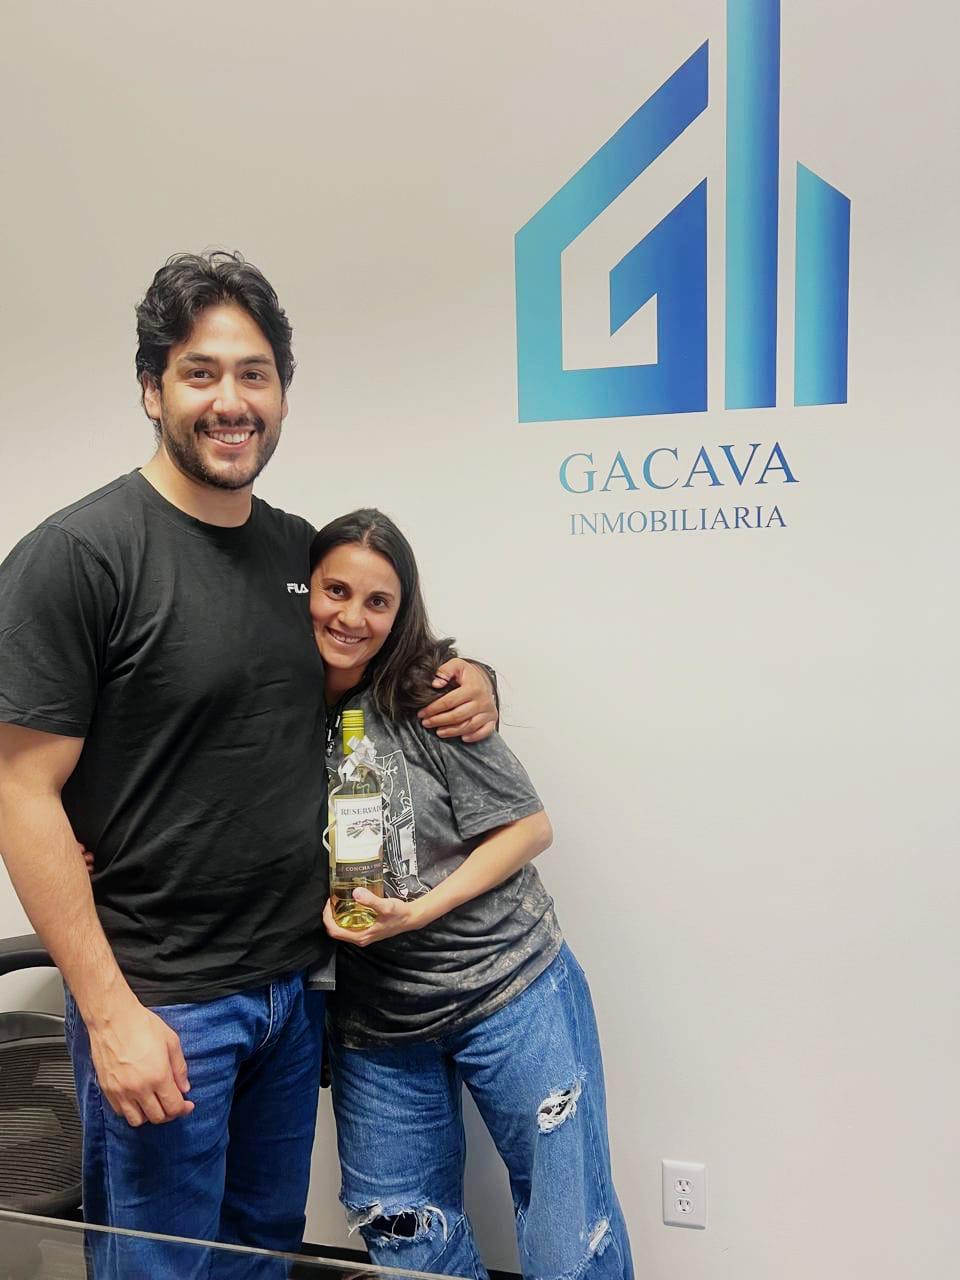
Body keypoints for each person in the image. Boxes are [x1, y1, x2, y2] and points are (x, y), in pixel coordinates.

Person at [0, 252, 496, 1273]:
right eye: (200, 372)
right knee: (160, 1262)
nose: (231, 400)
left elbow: (373, 658)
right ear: (152, 388)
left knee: (262, 1251)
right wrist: (108, 1012)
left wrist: (476, 677)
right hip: (164, 1002)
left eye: (254, 374)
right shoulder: (80, 556)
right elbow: (20, 788)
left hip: (291, 989)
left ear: (282, 394)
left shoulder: (297, 552)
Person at [310, 509, 634, 1280]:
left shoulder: (432, 696)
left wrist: (416, 913)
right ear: (305, 590)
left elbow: (528, 829)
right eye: (336, 590)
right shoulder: (270, 708)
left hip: (509, 989)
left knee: (568, 1235)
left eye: (378, 601)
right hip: (376, 1020)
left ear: (401, 612)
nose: (352, 617)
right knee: (404, 1234)